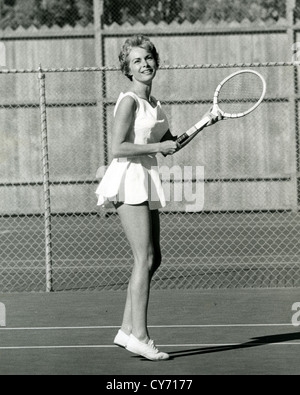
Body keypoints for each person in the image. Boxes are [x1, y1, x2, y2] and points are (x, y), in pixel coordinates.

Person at [96, 35, 219, 361]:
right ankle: (140, 336)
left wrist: (205, 121)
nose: (144, 64)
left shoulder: (155, 105)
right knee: (143, 258)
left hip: (146, 179)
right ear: (128, 68)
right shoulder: (129, 102)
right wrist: (156, 148)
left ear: (156, 61)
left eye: (148, 58)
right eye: (137, 60)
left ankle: (125, 330)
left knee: (153, 258)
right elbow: (117, 148)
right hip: (127, 179)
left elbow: (172, 144)